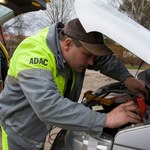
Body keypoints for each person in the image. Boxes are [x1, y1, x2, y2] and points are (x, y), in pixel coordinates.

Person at [0, 18, 146, 150]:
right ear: (68, 44)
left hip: (38, 128)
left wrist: (127, 78)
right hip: (18, 131)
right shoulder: (33, 53)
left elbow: (103, 60)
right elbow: (47, 106)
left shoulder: (71, 47)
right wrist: (106, 119)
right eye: (87, 55)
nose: (90, 62)